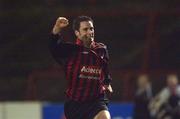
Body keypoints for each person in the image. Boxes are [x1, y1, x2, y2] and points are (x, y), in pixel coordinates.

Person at [49, 16, 113, 119]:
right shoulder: (71, 51)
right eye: (85, 29)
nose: (90, 32)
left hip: (96, 101)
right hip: (75, 103)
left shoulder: (101, 49)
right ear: (77, 33)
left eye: (91, 28)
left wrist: (107, 81)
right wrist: (57, 28)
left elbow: (104, 66)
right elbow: (53, 48)